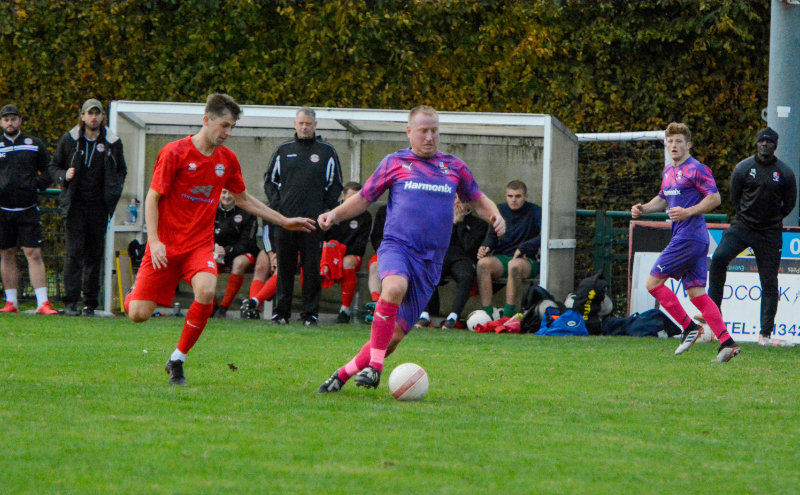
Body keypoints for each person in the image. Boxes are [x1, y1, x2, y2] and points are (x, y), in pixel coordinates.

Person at [124, 94, 315, 386]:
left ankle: (177, 360)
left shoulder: (227, 159)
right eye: (224, 125)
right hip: (165, 245)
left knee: (206, 290)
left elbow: (243, 199)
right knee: (138, 314)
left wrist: (284, 220)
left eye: (232, 127)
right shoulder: (174, 152)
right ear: (206, 120)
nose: (227, 132)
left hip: (199, 246)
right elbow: (153, 198)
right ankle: (134, 294)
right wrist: (155, 240)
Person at [316, 105, 505, 393]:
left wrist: (495, 215)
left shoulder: (453, 166)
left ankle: (341, 375)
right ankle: (375, 367)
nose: (430, 137)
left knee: (392, 338)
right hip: (398, 247)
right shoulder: (395, 162)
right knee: (394, 287)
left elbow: (478, 200)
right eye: (423, 131)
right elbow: (364, 198)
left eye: (434, 131)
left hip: (431, 263)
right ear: (409, 132)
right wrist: (335, 214)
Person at [631, 122, 740, 363]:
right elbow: (663, 199)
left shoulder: (696, 169)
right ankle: (727, 343)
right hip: (691, 238)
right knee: (696, 293)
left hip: (689, 236)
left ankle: (689, 327)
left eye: (678, 142)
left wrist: (687, 212)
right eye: (670, 142)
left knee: (652, 283)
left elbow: (714, 198)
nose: (674, 146)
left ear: (688, 145)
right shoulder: (668, 171)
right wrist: (643, 208)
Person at [708, 127, 797, 347]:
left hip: (769, 233)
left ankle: (764, 335)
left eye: (769, 142)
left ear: (775, 145)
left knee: (769, 281)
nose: (765, 145)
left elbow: (789, 203)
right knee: (718, 259)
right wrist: (747, 216)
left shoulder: (785, 173)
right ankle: (713, 323)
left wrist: (772, 220)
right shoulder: (744, 168)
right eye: (761, 141)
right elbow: (735, 197)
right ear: (756, 144)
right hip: (743, 226)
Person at [264, 107, 343, 326]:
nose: (305, 127)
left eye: (308, 123)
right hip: (286, 222)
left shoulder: (326, 151)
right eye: (301, 123)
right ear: (295, 124)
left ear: (315, 125)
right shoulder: (283, 150)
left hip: (312, 223)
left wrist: (323, 212)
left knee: (311, 269)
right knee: (284, 268)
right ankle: (281, 313)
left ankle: (310, 314)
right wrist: (278, 209)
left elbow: (336, 185)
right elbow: (270, 181)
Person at [48, 98, 127, 316]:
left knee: (94, 255)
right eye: (89, 113)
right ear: (82, 116)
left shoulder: (112, 142)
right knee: (73, 254)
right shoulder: (70, 140)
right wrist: (64, 175)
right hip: (75, 206)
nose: (93, 117)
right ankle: (70, 303)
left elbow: (122, 170)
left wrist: (113, 191)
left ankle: (90, 304)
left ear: (103, 117)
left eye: (97, 113)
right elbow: (53, 166)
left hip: (99, 207)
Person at [0, 104, 59, 315]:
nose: (10, 123)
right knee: (6, 253)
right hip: (3, 210)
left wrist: (36, 185)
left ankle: (42, 303)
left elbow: (50, 169)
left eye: (13, 119)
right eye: (6, 119)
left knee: (33, 253)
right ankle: (11, 302)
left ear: (20, 121)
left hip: (28, 208)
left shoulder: (34, 144)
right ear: (1, 123)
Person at [416, 197, 488, 329]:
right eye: (454, 198)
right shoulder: (440, 220)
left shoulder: (479, 224)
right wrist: (453, 224)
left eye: (461, 199)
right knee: (423, 270)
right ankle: (424, 315)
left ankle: (453, 317)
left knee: (466, 276)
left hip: (464, 259)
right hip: (442, 257)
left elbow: (469, 247)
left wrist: (460, 223)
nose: (456, 202)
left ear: (468, 202)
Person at [476, 180, 541, 320]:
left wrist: (524, 247)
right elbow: (492, 236)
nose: (513, 200)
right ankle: (487, 315)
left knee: (514, 265)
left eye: (518, 196)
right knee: (483, 264)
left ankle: (507, 316)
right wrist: (485, 247)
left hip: (526, 260)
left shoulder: (536, 211)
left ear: (525, 196)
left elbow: (545, 235)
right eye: (510, 196)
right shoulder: (499, 210)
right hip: (502, 258)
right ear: (506, 195)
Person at [325, 181, 372, 323]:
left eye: (357, 198)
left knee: (347, 262)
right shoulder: (332, 212)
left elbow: (360, 246)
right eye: (351, 198)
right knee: (310, 261)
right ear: (343, 196)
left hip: (349, 255)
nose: (353, 202)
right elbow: (325, 237)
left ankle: (345, 310)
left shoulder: (365, 216)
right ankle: (309, 310)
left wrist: (341, 253)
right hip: (330, 254)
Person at [211, 188, 259, 317]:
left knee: (239, 263)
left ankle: (223, 308)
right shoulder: (210, 210)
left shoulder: (247, 212)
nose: (227, 196)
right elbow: (203, 235)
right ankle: (211, 306)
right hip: (217, 251)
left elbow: (247, 243)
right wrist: (215, 249)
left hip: (243, 252)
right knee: (204, 263)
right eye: (224, 192)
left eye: (230, 193)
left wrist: (226, 251)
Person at [240, 222, 278, 320]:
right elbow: (267, 232)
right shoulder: (271, 212)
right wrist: (271, 254)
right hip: (273, 248)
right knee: (261, 264)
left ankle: (254, 302)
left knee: (282, 264)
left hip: (293, 248)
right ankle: (253, 311)